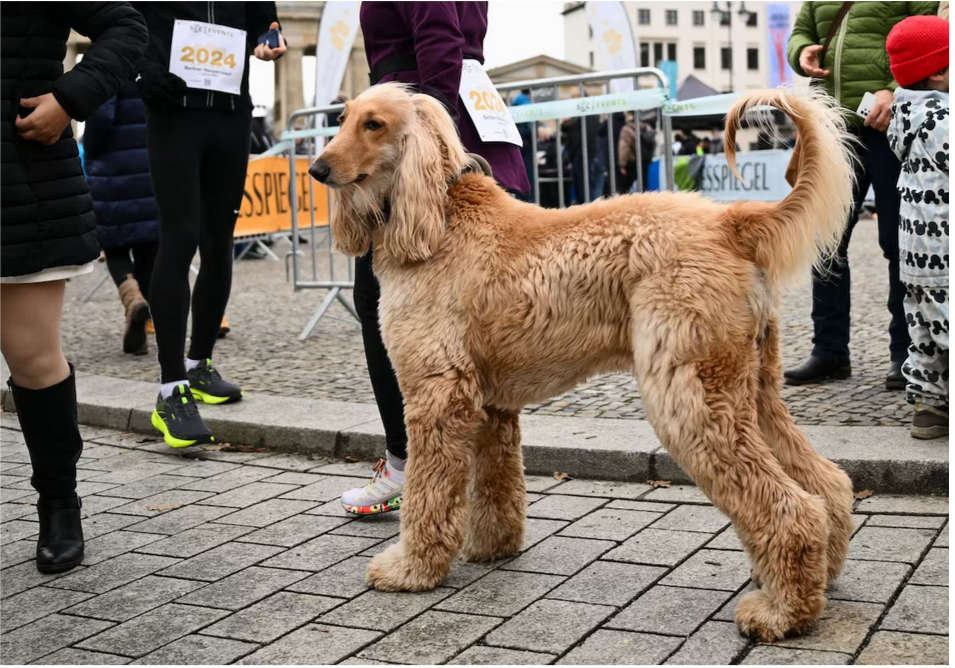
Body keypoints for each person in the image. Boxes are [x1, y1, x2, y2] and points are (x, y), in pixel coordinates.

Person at [341, 1, 529, 514]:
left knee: (384, 300)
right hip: (462, 116)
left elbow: (439, 40)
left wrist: (429, 147)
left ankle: (406, 464)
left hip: (423, 136)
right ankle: (490, 495)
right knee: (475, 324)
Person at [1, 2, 147, 574]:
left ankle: (59, 504)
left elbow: (127, 27)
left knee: (32, 357)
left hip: (21, 182)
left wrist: (69, 99)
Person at [133, 2, 285, 448]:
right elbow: (122, 21)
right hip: (173, 112)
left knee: (219, 242)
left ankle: (200, 365)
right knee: (179, 238)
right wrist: (142, 72)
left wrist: (269, 37)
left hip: (231, 113)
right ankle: (170, 389)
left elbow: (263, 18)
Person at [784, 1, 939, 388]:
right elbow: (801, 30)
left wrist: (895, 88)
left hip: (890, 128)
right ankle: (829, 351)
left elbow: (931, 36)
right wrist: (800, 51)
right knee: (826, 242)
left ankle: (904, 354)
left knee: (898, 244)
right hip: (835, 128)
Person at [886, 16, 949, 439]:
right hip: (944, 250)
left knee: (925, 332)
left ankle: (930, 409)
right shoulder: (943, 118)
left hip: (915, 253)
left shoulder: (903, 110)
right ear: (937, 71)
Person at [84, 81, 158, 356]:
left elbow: (100, 116)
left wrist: (89, 148)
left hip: (113, 170)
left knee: (114, 245)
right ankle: (142, 324)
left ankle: (133, 300)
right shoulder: (152, 58)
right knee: (148, 246)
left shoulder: (112, 62)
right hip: (150, 165)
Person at [513, 89, 536, 202]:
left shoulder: (517, 100)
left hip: (519, 145)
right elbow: (529, 126)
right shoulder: (524, 102)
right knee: (528, 178)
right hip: (525, 145)